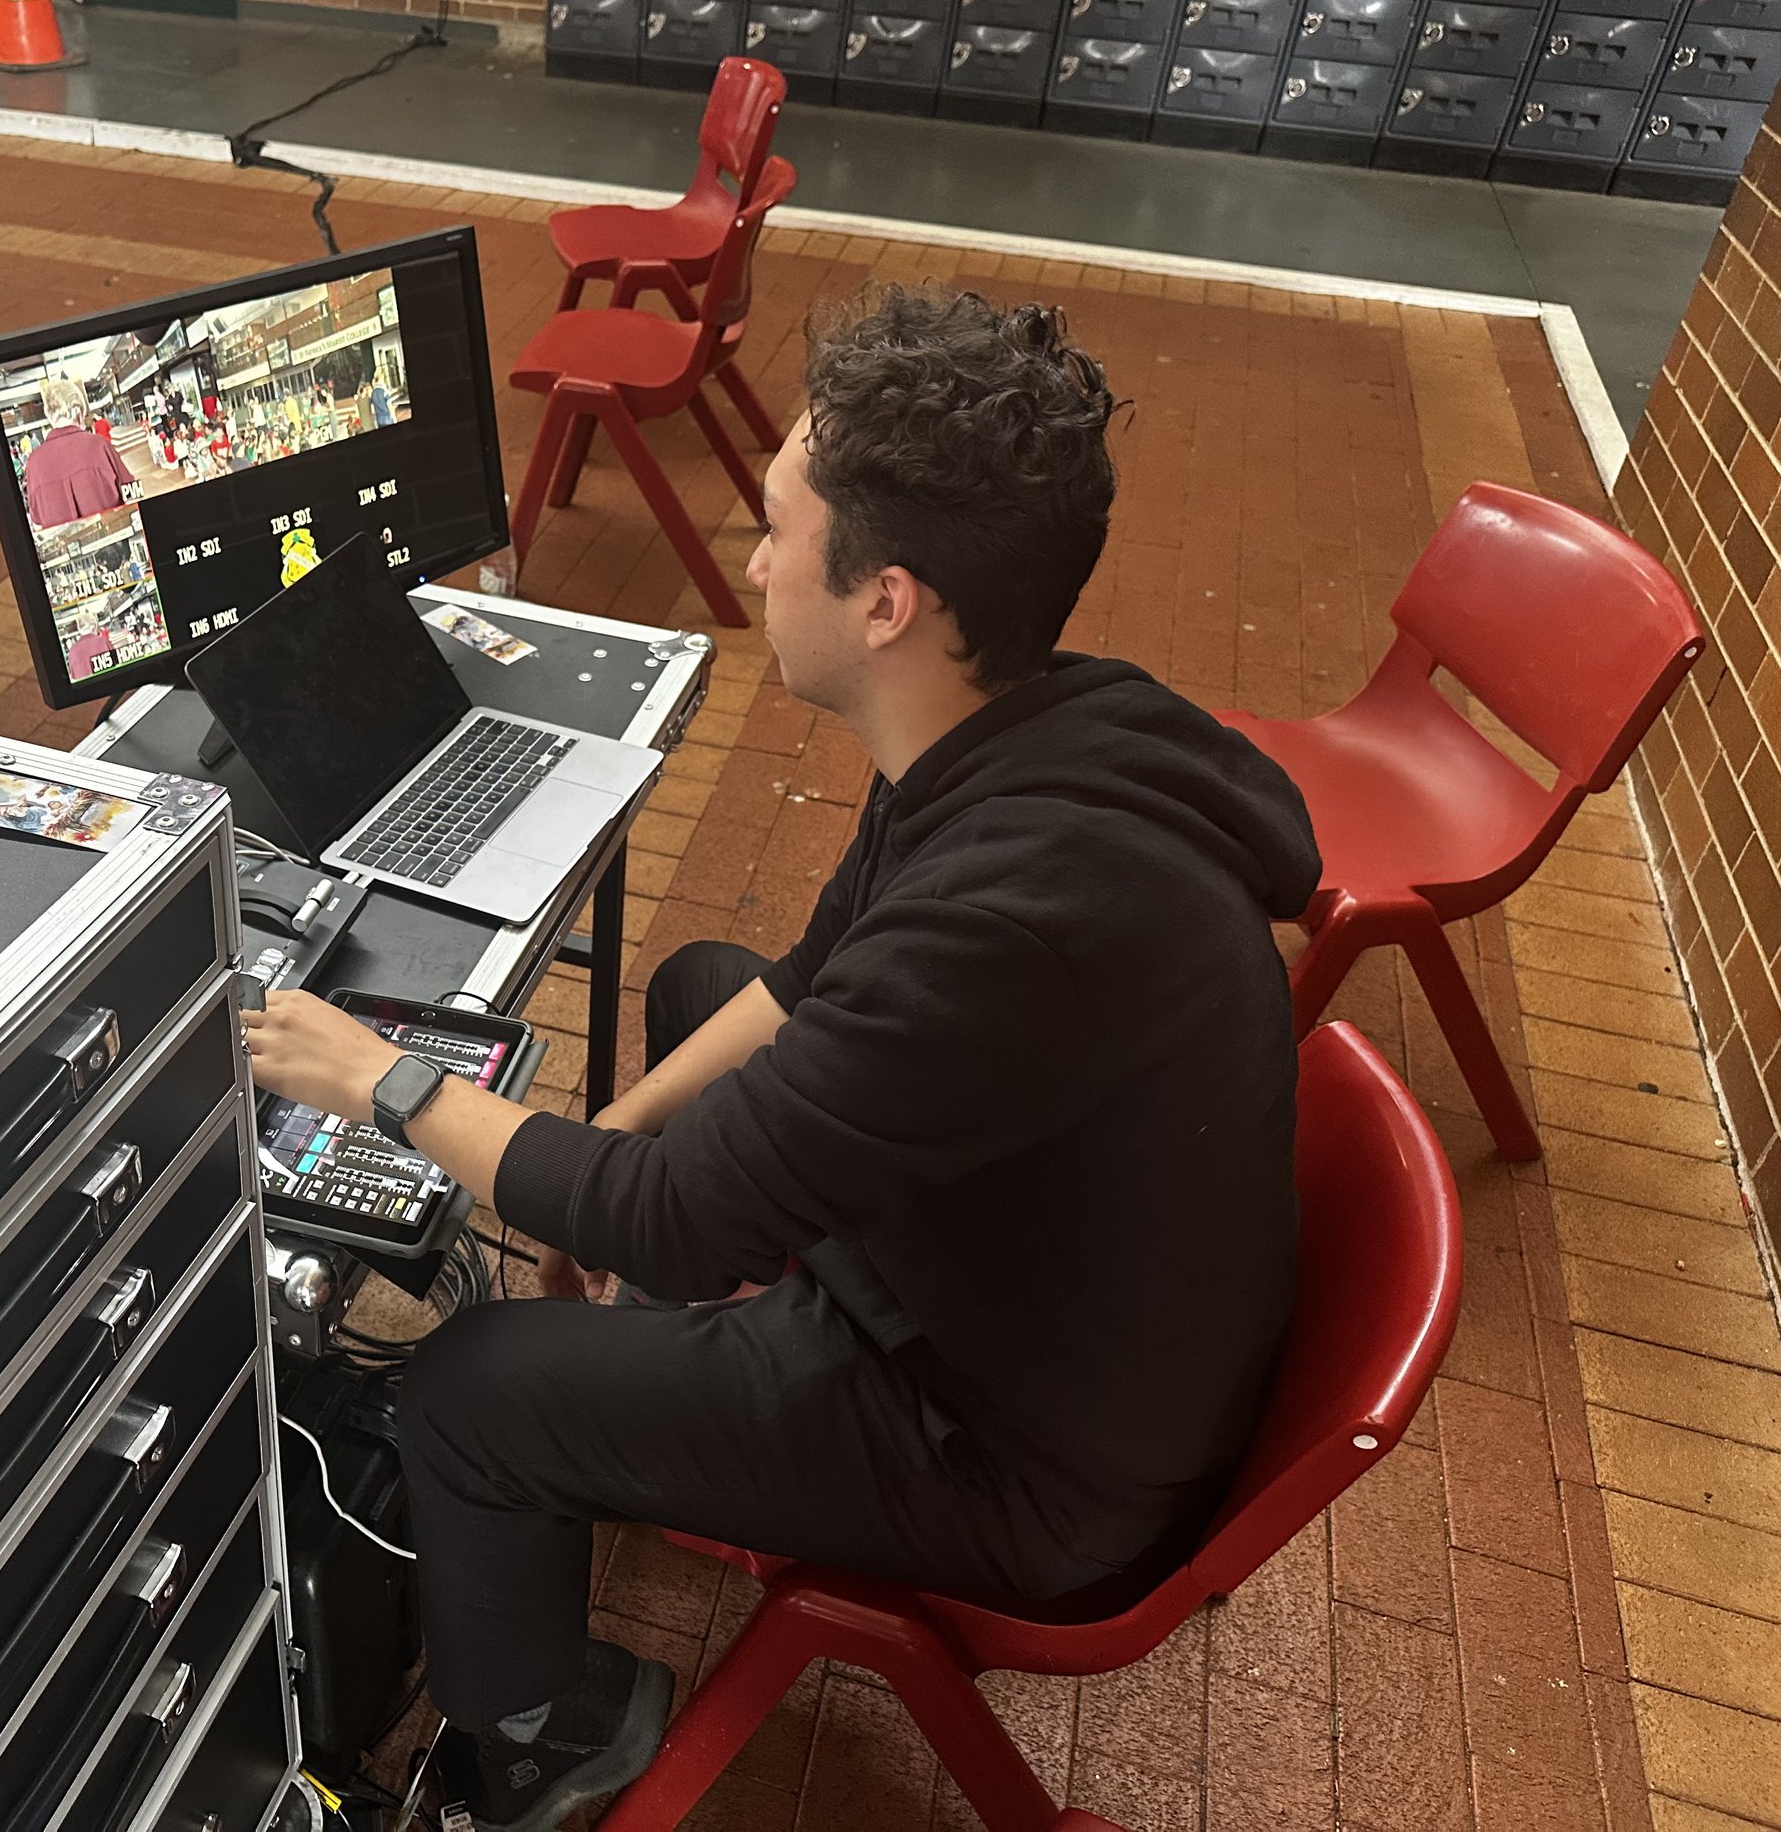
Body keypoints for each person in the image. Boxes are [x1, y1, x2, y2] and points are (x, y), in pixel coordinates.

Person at [241, 286, 1321, 1832]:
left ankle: (538, 1746)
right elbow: (808, 983)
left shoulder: (1004, 925)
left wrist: (385, 1082)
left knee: (469, 1385)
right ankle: (642, 1411)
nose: (752, 563)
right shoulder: (1030, 722)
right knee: (702, 986)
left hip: (1020, 1453)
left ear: (887, 600)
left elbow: (681, 1222)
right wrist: (610, 1131)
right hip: (1041, 1296)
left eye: (776, 530)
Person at [21, 375, 134, 528]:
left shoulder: (33, 464)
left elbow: (36, 519)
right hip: (116, 532)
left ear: (50, 416)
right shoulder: (99, 446)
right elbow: (131, 491)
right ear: (77, 411)